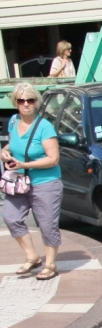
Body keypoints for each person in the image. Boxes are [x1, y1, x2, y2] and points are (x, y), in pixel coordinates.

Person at [2, 83, 62, 281]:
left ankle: (50, 264)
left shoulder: (44, 127)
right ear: (15, 103)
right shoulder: (13, 121)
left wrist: (25, 163)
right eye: (21, 100)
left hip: (45, 182)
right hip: (19, 181)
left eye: (30, 100)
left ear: (36, 103)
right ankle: (32, 256)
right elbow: (14, 143)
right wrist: (5, 151)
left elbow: (53, 158)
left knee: (47, 224)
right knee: (11, 217)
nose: (26, 104)